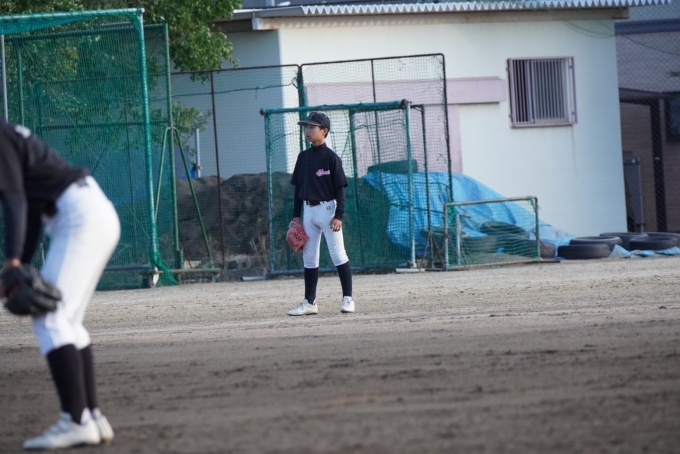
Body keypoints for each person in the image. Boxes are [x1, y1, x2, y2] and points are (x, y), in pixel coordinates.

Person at [0, 120, 120, 450]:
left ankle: (76, 421)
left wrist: (12, 262)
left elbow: (14, 201)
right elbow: (31, 209)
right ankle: (91, 417)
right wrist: (20, 264)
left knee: (49, 319)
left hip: (79, 217)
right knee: (68, 322)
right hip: (92, 210)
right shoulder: (8, 135)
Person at [287, 112, 355, 316]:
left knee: (338, 254)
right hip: (308, 211)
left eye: (312, 127)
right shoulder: (303, 157)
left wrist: (339, 216)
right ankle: (310, 302)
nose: (307, 131)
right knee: (309, 257)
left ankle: (348, 299)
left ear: (324, 131)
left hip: (328, 210)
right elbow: (298, 189)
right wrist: (295, 216)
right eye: (306, 127)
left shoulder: (331, 158)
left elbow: (340, 190)